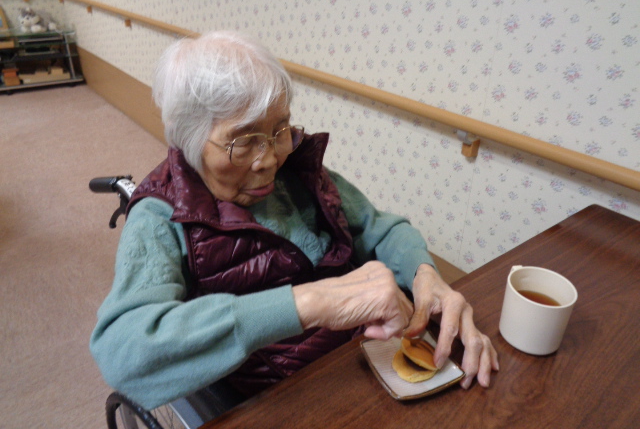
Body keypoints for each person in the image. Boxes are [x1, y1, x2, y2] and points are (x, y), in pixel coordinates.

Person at [90, 31, 499, 411]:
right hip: (284, 398)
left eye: (280, 129)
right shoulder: (161, 216)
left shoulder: (298, 172)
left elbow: (380, 228)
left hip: (365, 358)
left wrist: (425, 274)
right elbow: (123, 353)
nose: (270, 159)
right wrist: (314, 302)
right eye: (244, 141)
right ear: (190, 140)